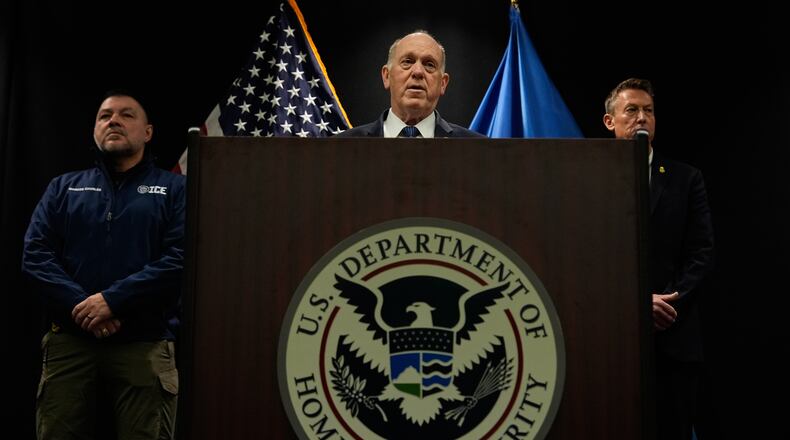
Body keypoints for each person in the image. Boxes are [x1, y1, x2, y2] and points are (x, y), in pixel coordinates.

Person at [22, 90, 186, 439]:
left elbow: (179, 259)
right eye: (104, 116)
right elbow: (35, 256)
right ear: (94, 130)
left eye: (126, 115)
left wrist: (112, 301)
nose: (113, 121)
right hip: (70, 342)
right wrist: (84, 307)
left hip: (144, 342)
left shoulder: (175, 189)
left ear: (148, 132)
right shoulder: (63, 188)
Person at [603, 78, 714, 440]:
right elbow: (588, 257)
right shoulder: (588, 179)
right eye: (631, 110)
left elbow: (700, 252)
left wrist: (667, 302)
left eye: (648, 111)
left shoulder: (685, 178)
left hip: (673, 337)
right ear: (610, 121)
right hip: (609, 340)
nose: (641, 118)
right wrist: (634, 304)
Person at [334, 30, 484, 138]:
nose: (418, 72)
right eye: (407, 62)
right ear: (386, 76)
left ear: (443, 84)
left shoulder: (479, 149)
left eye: (429, 65)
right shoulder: (341, 147)